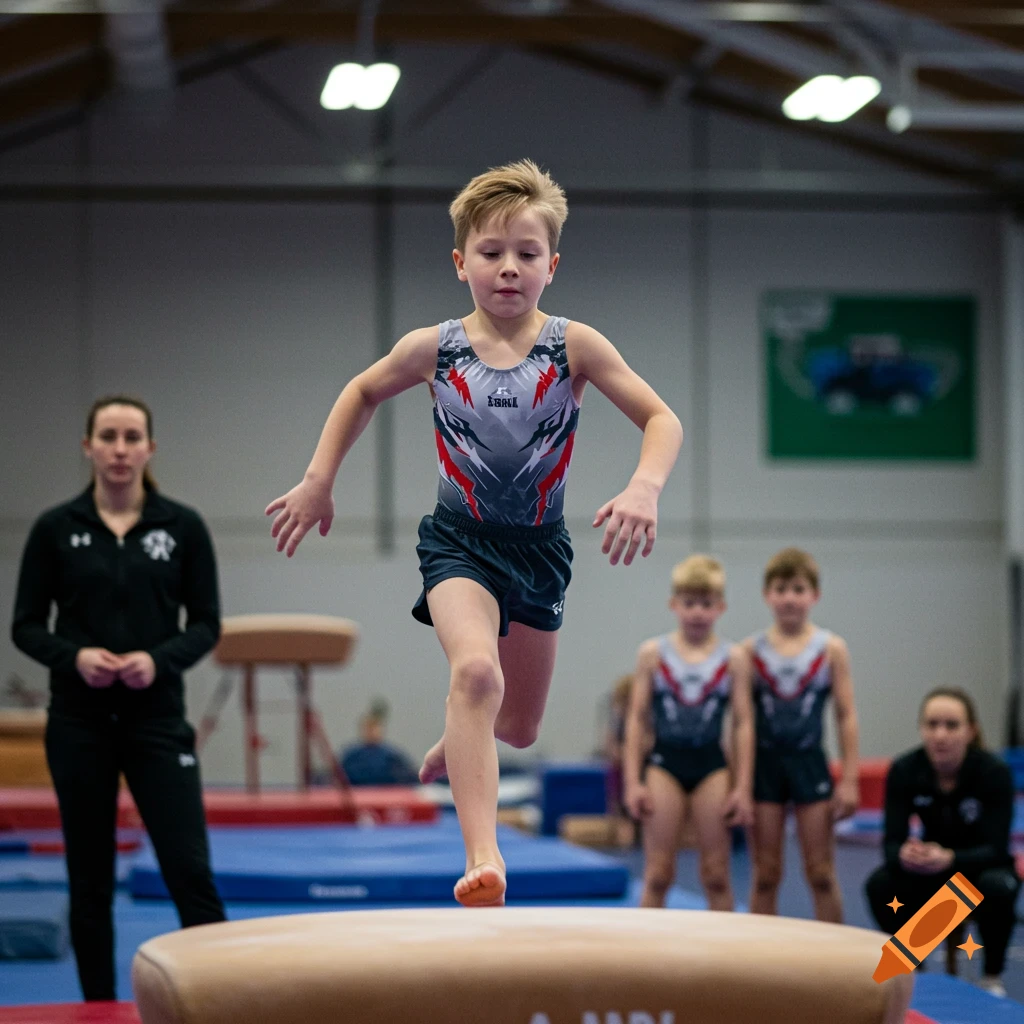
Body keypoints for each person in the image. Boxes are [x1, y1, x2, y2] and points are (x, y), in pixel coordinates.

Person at [266, 159, 683, 907]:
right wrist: (319, 477)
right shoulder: (436, 346)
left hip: (540, 549)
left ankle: (465, 733)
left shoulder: (574, 346)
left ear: (552, 265)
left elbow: (661, 417)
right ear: (461, 264)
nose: (509, 268)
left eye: (527, 254)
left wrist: (644, 487)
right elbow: (362, 389)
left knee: (516, 727)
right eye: (491, 253)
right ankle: (483, 857)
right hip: (458, 542)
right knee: (476, 674)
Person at [11, 396, 225, 1000]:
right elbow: (24, 625)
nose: (121, 448)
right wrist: (73, 657)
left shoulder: (181, 528)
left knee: (190, 871)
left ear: (150, 449)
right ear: (89, 447)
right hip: (79, 722)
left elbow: (207, 624)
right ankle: (97, 1010)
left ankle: (217, 1000)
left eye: (133, 436)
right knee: (90, 881)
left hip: (157, 720)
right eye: (109, 436)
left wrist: (157, 661)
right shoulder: (57, 529)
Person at [864, 687, 1019, 999]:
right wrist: (906, 855)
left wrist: (949, 858)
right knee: (880, 884)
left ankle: (991, 977)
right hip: (931, 872)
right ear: (921, 728)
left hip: (979, 870)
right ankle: (914, 967)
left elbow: (997, 848)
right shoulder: (906, 769)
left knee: (998, 886)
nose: (940, 735)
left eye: (951, 725)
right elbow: (890, 844)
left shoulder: (994, 772)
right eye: (932, 725)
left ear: (970, 730)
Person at [622, 554, 754, 910]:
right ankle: (644, 963)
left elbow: (743, 723)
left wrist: (742, 787)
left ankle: (727, 962)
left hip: (712, 764)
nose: (697, 612)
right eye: (689, 603)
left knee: (715, 873)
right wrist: (632, 781)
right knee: (658, 873)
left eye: (706, 604)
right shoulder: (652, 654)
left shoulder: (734, 657)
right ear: (674, 605)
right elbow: (637, 719)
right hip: (664, 763)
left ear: (720, 607)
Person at [745, 547, 859, 923]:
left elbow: (845, 715)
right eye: (781, 589)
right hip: (765, 766)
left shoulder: (830, 648)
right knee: (766, 874)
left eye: (798, 589)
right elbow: (741, 724)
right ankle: (761, 965)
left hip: (810, 763)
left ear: (814, 596)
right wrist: (740, 783)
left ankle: (834, 964)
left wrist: (850, 780)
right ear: (767, 596)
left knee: (821, 873)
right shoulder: (750, 651)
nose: (790, 598)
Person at [339, 698, 418, 786]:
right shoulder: (351, 757)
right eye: (368, 728)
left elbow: (409, 778)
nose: (371, 732)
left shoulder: (392, 757)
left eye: (375, 728)